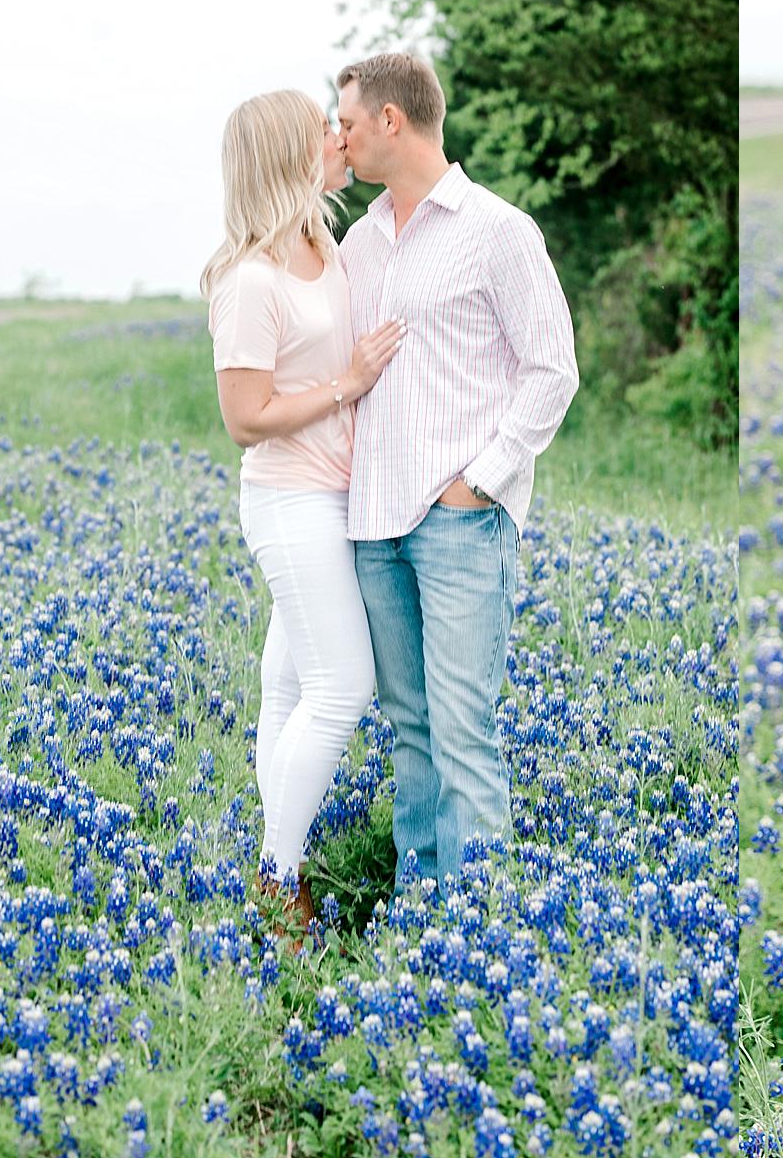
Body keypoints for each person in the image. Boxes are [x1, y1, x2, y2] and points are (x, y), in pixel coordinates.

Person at [334, 51, 578, 888]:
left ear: (391, 121)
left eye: (350, 123)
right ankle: (422, 914)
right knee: (410, 726)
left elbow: (553, 367)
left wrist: (482, 480)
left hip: (457, 519)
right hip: (373, 522)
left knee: (463, 726)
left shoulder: (497, 228)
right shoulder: (358, 244)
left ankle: (475, 924)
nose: (343, 138)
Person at [201, 89, 407, 935]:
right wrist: (344, 385)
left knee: (286, 685)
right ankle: (277, 878)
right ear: (289, 155)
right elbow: (244, 417)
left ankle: (279, 853)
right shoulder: (249, 280)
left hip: (337, 492)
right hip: (291, 499)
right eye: (322, 129)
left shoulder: (321, 241)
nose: (338, 136)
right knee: (342, 686)